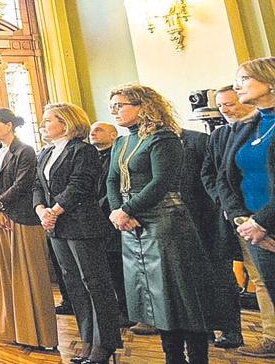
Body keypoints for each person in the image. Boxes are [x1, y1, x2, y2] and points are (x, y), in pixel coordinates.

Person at [106, 83, 223, 363]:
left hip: (165, 222)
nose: (114, 111)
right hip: (131, 224)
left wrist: (127, 209)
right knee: (152, 296)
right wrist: (116, 211)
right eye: (112, 106)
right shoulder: (122, 142)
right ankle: (172, 356)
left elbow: (163, 182)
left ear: (142, 106)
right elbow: (112, 180)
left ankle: (196, 357)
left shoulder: (163, 138)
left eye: (120, 105)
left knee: (181, 295)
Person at [35, 103, 121, 364]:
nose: (44, 125)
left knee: (95, 283)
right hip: (56, 226)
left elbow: (81, 184)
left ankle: (104, 344)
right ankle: (86, 339)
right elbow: (37, 185)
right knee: (74, 284)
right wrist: (41, 210)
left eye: (48, 120)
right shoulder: (46, 152)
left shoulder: (83, 150)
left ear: (66, 122)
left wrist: (55, 210)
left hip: (82, 224)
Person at [206, 84, 275, 357]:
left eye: (230, 103)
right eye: (221, 105)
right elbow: (212, 175)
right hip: (241, 221)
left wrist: (261, 220)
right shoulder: (220, 135)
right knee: (259, 279)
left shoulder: (260, 127)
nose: (225, 109)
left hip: (265, 217)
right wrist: (237, 215)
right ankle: (271, 336)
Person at [0, 108, 55, 347]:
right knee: (7, 276)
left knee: (30, 276)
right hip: (1, 219)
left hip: (23, 217)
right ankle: (11, 330)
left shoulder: (25, 150)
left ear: (8, 125)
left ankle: (37, 335)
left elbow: (23, 183)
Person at [179, 123, 244, 349]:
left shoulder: (197, 140)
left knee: (219, 277)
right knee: (189, 279)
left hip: (207, 219)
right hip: (177, 223)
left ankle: (231, 330)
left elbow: (213, 176)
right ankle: (202, 327)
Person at [228, 60, 275, 331]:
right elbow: (228, 177)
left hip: (264, 225)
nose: (237, 86)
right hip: (255, 231)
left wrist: (262, 222)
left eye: (244, 78)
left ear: (269, 82)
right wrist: (243, 219)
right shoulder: (246, 126)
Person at [88, 121, 131, 329]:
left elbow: (115, 186)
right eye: (91, 131)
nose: (93, 133)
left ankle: (127, 310)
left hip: (113, 217)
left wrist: (99, 208)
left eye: (99, 130)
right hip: (93, 220)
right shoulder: (88, 156)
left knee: (119, 267)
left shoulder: (120, 155)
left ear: (114, 135)